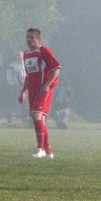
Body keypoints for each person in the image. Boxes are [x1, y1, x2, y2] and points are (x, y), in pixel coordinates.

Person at [19, 28, 61, 159]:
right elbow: (28, 76)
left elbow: (56, 69)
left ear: (38, 39)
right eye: (27, 37)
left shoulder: (44, 51)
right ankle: (48, 151)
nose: (29, 39)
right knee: (38, 119)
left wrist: (47, 85)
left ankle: (40, 148)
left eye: (32, 37)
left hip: (44, 89)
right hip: (32, 90)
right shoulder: (26, 54)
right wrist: (23, 92)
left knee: (36, 115)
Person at [6, 51, 26, 123]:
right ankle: (11, 117)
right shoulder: (12, 65)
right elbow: (9, 77)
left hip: (25, 87)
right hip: (16, 87)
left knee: (25, 102)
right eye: (18, 56)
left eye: (21, 56)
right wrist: (12, 85)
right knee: (14, 102)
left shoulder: (26, 64)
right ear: (16, 57)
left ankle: (25, 117)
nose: (20, 57)